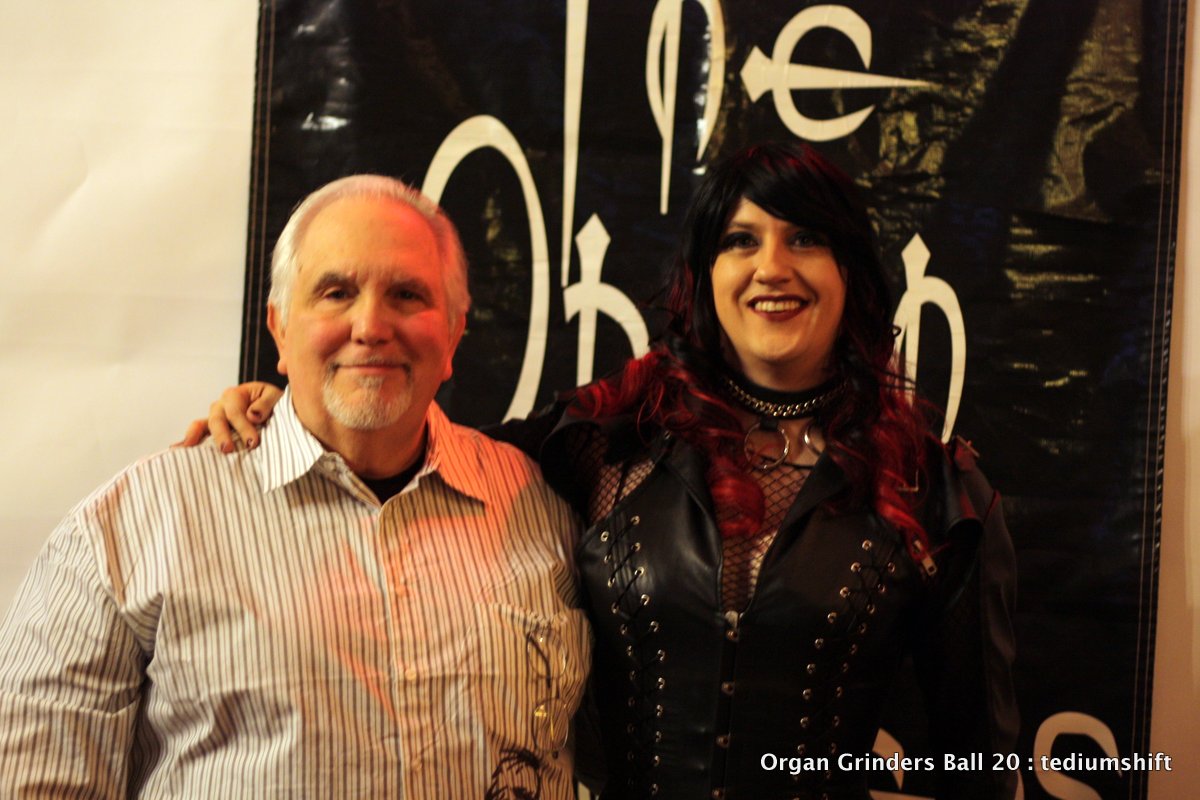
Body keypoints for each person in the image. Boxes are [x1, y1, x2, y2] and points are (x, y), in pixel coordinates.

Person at [189, 143, 1019, 799]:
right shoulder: (610, 439)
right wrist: (290, 406)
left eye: (805, 238)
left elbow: (980, 767)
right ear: (705, 274)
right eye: (740, 240)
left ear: (851, 274)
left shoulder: (935, 489)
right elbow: (413, 449)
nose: (772, 266)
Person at [0, 176, 590, 798]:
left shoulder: (544, 507)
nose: (370, 326)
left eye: (406, 294)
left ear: (454, 334)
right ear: (280, 329)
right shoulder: (128, 529)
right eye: (336, 293)